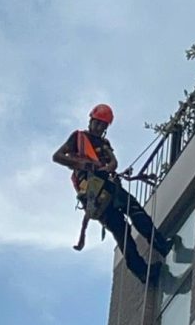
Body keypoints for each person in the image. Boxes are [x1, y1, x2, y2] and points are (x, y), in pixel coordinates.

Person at [53, 104, 172, 284]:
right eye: (98, 123)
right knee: (122, 231)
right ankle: (142, 272)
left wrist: (109, 167)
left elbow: (112, 162)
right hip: (93, 193)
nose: (100, 128)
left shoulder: (105, 144)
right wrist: (82, 165)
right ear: (91, 120)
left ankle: (161, 245)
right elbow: (58, 156)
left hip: (109, 186)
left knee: (135, 210)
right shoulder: (78, 138)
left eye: (104, 126)